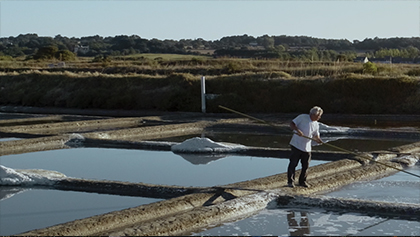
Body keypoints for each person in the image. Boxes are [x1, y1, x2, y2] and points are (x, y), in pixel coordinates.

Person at [288, 106, 323, 188]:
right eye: (319, 116)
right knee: (293, 163)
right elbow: (292, 124)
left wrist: (318, 139)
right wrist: (298, 130)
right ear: (313, 114)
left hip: (307, 147)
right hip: (296, 144)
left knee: (306, 165)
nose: (319, 117)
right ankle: (290, 181)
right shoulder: (302, 117)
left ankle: (302, 181)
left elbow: (316, 134)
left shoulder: (316, 124)